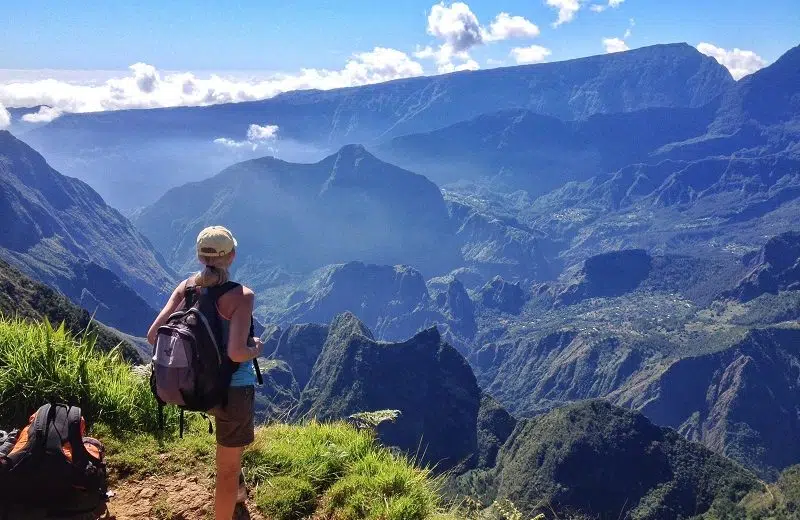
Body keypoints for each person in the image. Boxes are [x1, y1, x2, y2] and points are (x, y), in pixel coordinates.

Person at [147, 225, 263, 520]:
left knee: (229, 458)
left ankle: (237, 491)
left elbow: (153, 336)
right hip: (232, 391)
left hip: (196, 386)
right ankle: (231, 498)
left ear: (200, 257)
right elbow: (236, 353)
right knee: (226, 470)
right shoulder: (242, 296)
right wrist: (255, 349)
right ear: (232, 256)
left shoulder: (185, 288)